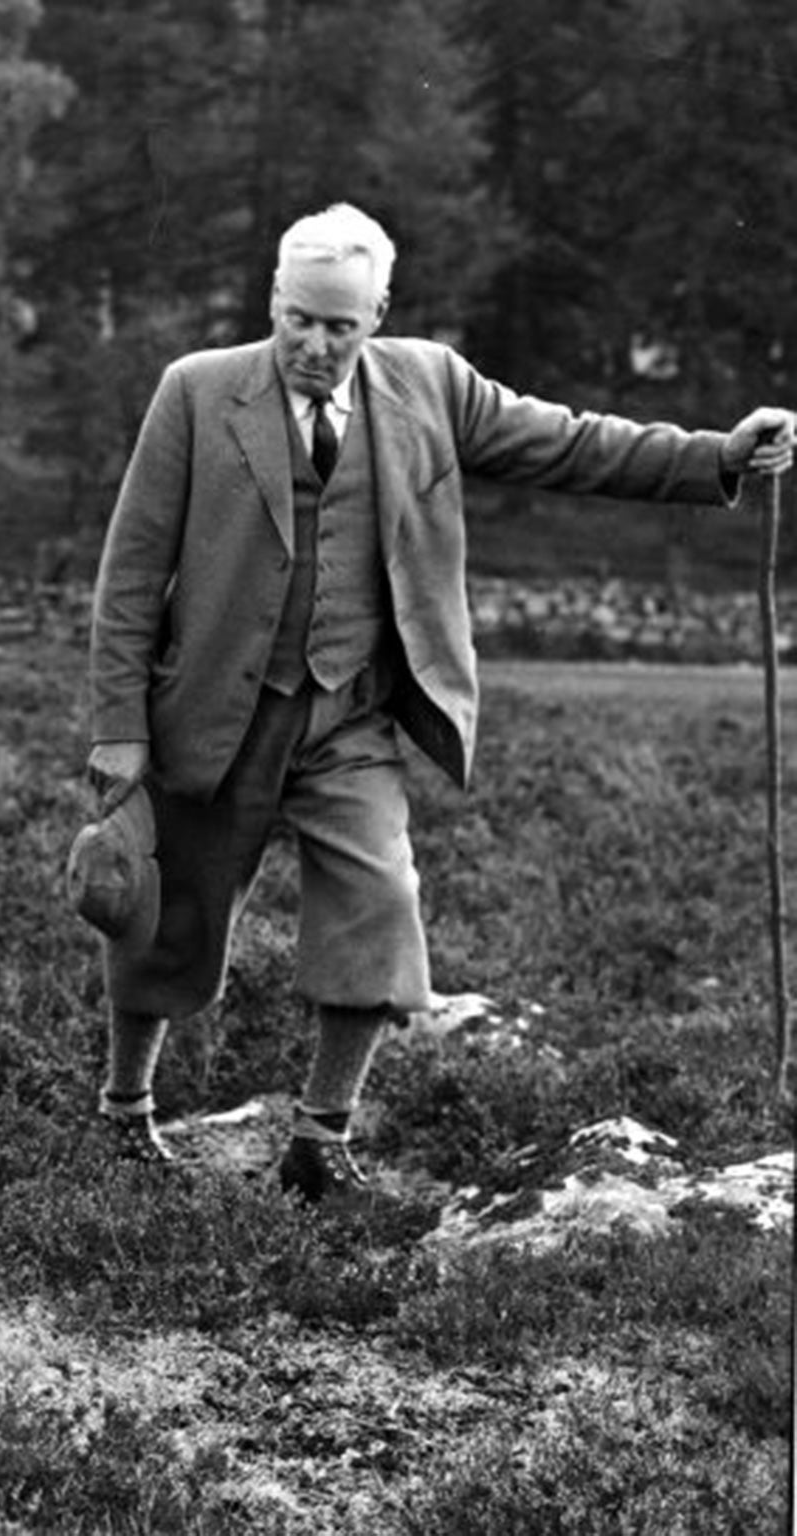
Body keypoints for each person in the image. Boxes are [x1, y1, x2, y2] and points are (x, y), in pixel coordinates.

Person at [85, 202, 796, 1202]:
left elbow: (569, 443)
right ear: (271, 302)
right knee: (166, 919)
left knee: (379, 908)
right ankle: (123, 1112)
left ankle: (318, 1140)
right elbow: (127, 576)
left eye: (339, 325)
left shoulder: (430, 385)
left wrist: (714, 455)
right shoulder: (195, 395)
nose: (314, 344)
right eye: (297, 319)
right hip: (212, 714)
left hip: (351, 718)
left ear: (377, 314)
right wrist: (118, 731)